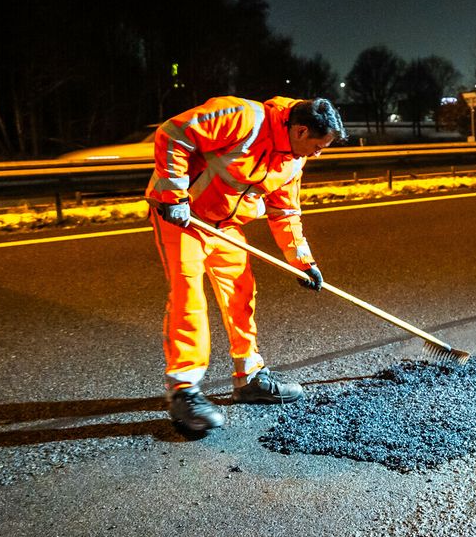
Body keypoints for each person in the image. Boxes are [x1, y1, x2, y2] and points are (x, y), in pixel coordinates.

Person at [146, 96, 346, 431]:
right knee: (188, 296)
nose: (317, 154)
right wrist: (174, 195)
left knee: (241, 293)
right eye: (317, 146)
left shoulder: (292, 160)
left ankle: (249, 377)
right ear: (300, 130)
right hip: (183, 218)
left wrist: (302, 261)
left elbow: (285, 212)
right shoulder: (243, 117)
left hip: (225, 226)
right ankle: (184, 390)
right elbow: (173, 133)